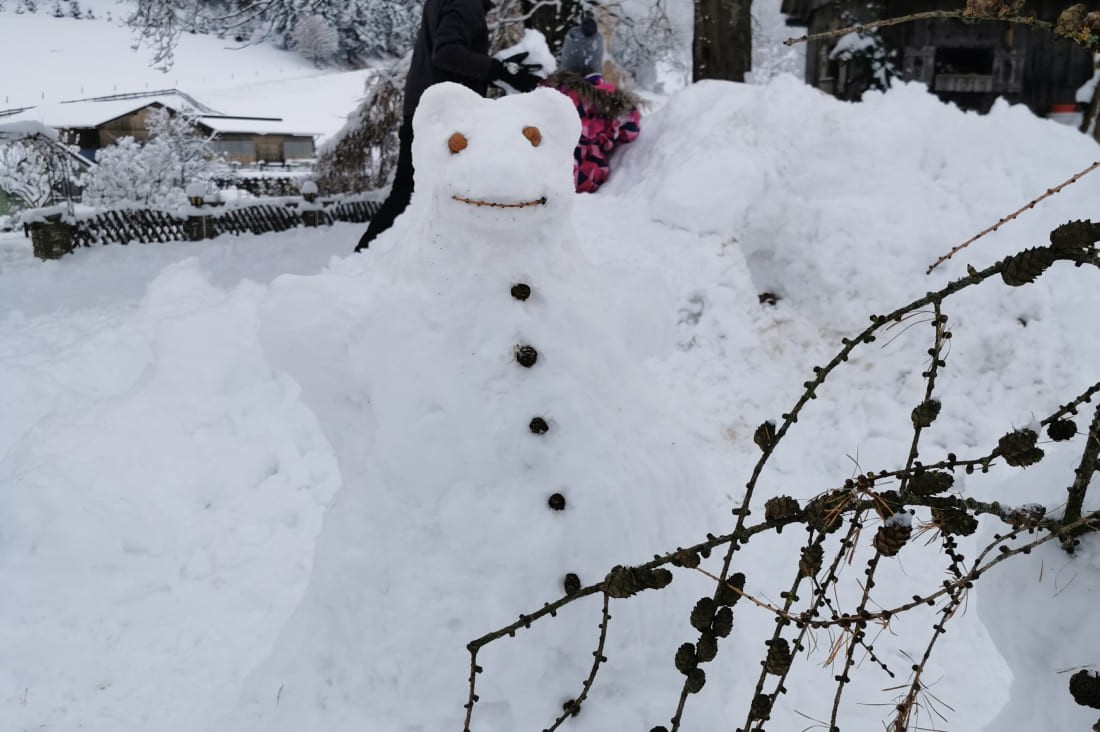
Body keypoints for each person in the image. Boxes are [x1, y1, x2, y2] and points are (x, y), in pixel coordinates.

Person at [355, 0, 543, 252]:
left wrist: (498, 71)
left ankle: (379, 258)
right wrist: (497, 69)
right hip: (441, 116)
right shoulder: (465, 2)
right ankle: (365, 259)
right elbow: (446, 52)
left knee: (415, 195)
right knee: (412, 197)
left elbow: (450, 57)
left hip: (431, 110)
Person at [543, 15, 640, 193]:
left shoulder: (551, 94)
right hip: (591, 174)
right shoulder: (609, 99)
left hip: (553, 172)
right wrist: (628, 107)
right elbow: (629, 131)